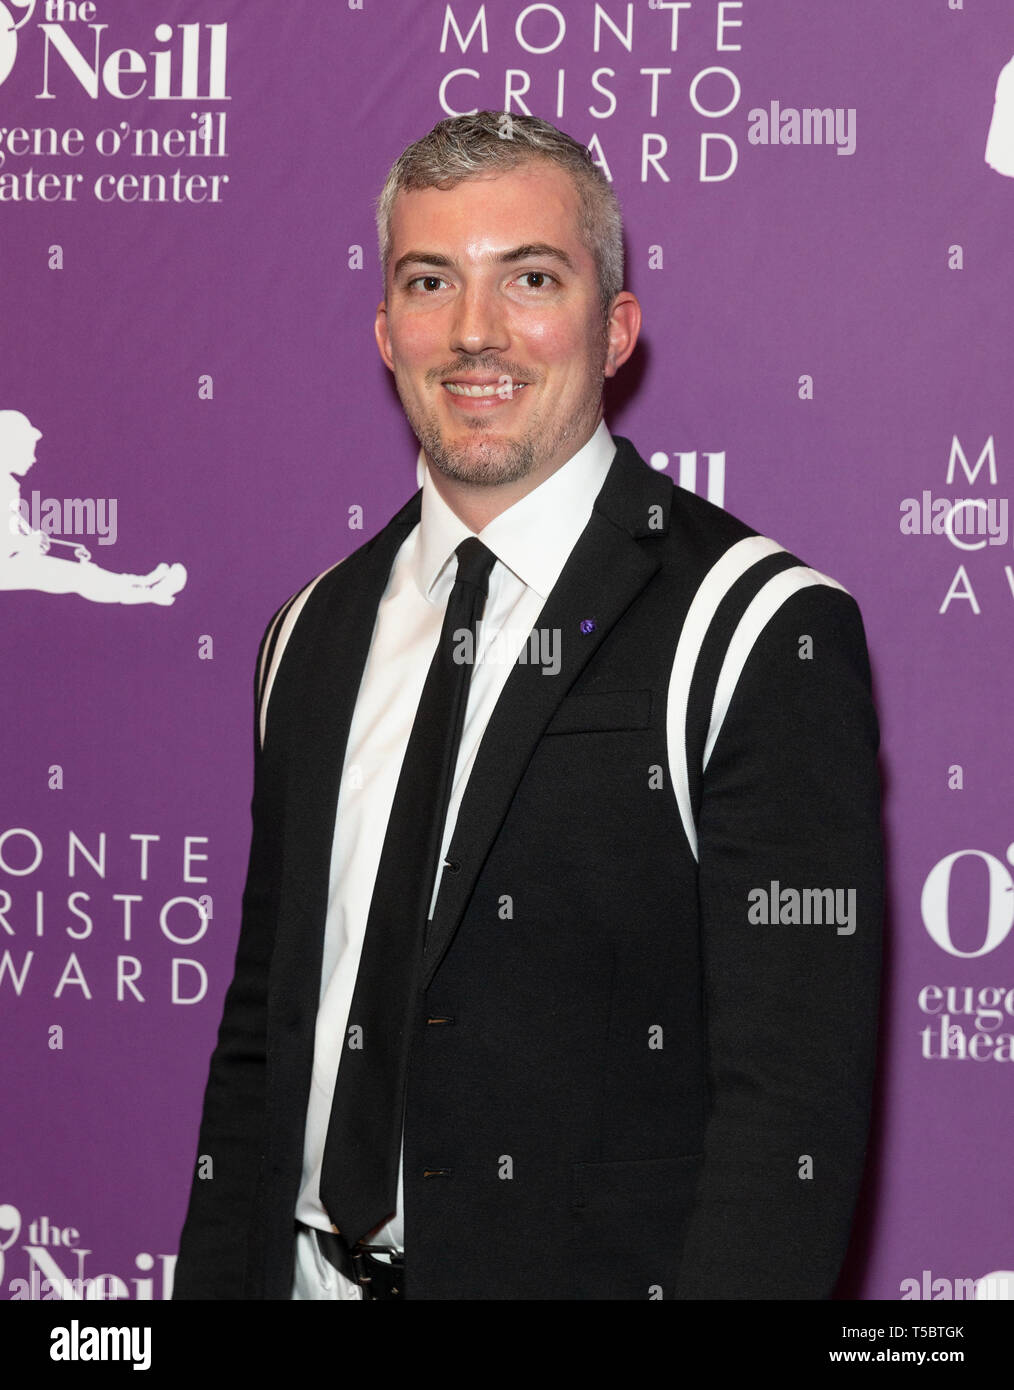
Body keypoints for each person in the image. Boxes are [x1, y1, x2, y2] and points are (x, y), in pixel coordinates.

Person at [173, 111, 883, 1301]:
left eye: (531, 278)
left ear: (614, 332)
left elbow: (791, 1115)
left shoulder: (759, 627)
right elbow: (260, 1046)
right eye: (429, 280)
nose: (473, 331)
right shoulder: (310, 633)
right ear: (385, 331)